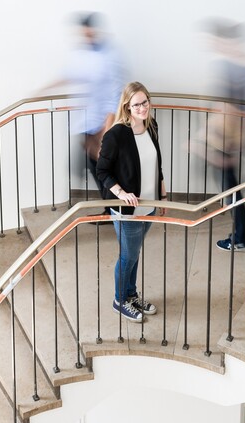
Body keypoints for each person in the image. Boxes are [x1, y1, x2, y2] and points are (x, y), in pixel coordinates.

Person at [97, 81, 168, 322]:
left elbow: (157, 164)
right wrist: (120, 192)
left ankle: (131, 294)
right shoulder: (116, 135)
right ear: (127, 106)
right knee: (128, 255)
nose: (142, 108)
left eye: (145, 102)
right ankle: (120, 299)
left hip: (148, 205)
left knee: (134, 253)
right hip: (126, 209)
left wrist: (163, 195)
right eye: (136, 104)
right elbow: (102, 171)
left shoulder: (152, 126)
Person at [42, 12, 124, 197]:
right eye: (83, 33)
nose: (86, 36)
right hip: (85, 120)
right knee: (92, 162)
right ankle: (110, 203)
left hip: (101, 119)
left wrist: (107, 126)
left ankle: (114, 203)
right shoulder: (81, 53)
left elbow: (114, 92)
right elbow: (69, 75)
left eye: (89, 33)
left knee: (102, 163)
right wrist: (42, 90)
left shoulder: (109, 54)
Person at [195, 18, 245, 252]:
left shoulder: (238, 68)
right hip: (225, 139)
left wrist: (232, 143)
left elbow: (237, 109)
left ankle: (242, 237)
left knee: (231, 190)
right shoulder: (235, 66)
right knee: (231, 189)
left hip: (227, 141)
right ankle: (241, 235)